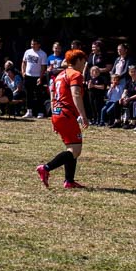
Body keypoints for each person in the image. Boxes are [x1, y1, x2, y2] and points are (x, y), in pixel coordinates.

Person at [36, 49, 89, 189]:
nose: (84, 65)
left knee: (71, 147)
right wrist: (83, 115)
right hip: (67, 114)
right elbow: (76, 94)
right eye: (83, 61)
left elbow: (53, 97)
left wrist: (54, 119)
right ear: (78, 60)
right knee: (75, 150)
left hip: (58, 113)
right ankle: (45, 168)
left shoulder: (60, 75)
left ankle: (69, 181)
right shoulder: (76, 74)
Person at [21, 39, 47, 118]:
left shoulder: (43, 54)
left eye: (34, 44)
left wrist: (40, 77)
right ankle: (29, 111)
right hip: (28, 76)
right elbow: (24, 62)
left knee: (39, 95)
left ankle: (40, 112)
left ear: (39, 44)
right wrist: (23, 72)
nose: (33, 46)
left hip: (37, 77)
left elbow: (43, 67)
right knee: (29, 94)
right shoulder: (27, 52)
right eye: (32, 44)